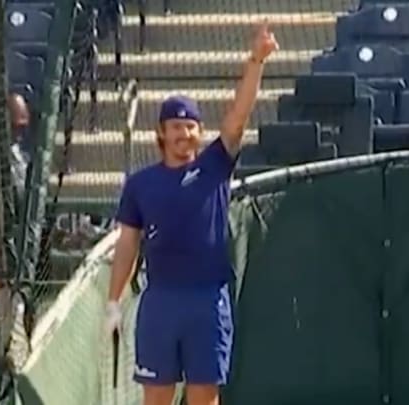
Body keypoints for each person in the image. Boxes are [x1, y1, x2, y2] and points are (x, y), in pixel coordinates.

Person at [103, 22, 279, 405]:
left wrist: (256, 61)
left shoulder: (215, 165)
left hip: (207, 301)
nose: (184, 133)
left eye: (191, 126)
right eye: (176, 126)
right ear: (161, 133)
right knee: (157, 397)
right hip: (160, 302)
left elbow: (238, 115)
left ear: (200, 132)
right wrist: (113, 301)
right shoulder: (140, 184)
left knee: (204, 397)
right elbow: (128, 244)